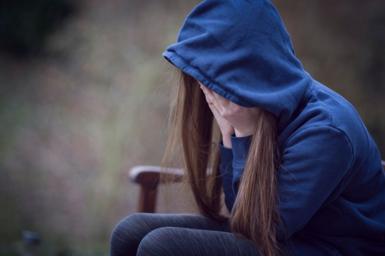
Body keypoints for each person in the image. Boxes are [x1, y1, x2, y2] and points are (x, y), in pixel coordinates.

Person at [109, 0, 385, 255]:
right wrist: (229, 135)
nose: (206, 91)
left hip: (330, 247)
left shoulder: (326, 132)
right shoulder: (262, 108)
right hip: (281, 233)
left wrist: (244, 134)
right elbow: (238, 210)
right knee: (130, 231)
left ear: (249, 72)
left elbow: (262, 229)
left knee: (161, 247)